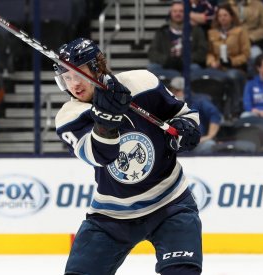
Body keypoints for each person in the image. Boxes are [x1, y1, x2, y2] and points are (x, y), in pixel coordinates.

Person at [54, 38, 202, 275]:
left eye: (79, 75)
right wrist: (105, 123)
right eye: (67, 77)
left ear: (98, 68)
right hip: (111, 216)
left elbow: (184, 114)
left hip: (170, 203)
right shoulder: (69, 116)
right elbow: (100, 155)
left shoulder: (142, 83)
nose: (74, 85)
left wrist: (185, 127)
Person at [206, 3, 250, 118]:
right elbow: (209, 53)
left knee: (232, 75)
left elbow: (246, 54)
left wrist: (231, 61)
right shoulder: (212, 33)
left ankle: (235, 110)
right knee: (208, 76)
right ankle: (216, 112)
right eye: (220, 16)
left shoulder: (240, 31)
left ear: (231, 16)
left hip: (236, 69)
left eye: (225, 15)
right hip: (218, 68)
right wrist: (212, 62)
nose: (222, 18)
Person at [148, 0, 207, 75]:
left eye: (181, 11)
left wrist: (186, 59)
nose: (178, 13)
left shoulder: (196, 31)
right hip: (167, 65)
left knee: (196, 68)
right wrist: (167, 60)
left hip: (189, 64)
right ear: (170, 13)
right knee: (152, 67)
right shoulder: (162, 31)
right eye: (175, 11)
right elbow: (152, 52)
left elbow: (202, 52)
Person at [169, 76, 222, 154]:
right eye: (173, 90)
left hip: (196, 144)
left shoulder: (199, 101)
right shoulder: (170, 103)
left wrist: (210, 136)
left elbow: (214, 113)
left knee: (209, 145)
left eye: (177, 90)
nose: (174, 93)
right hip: (175, 145)